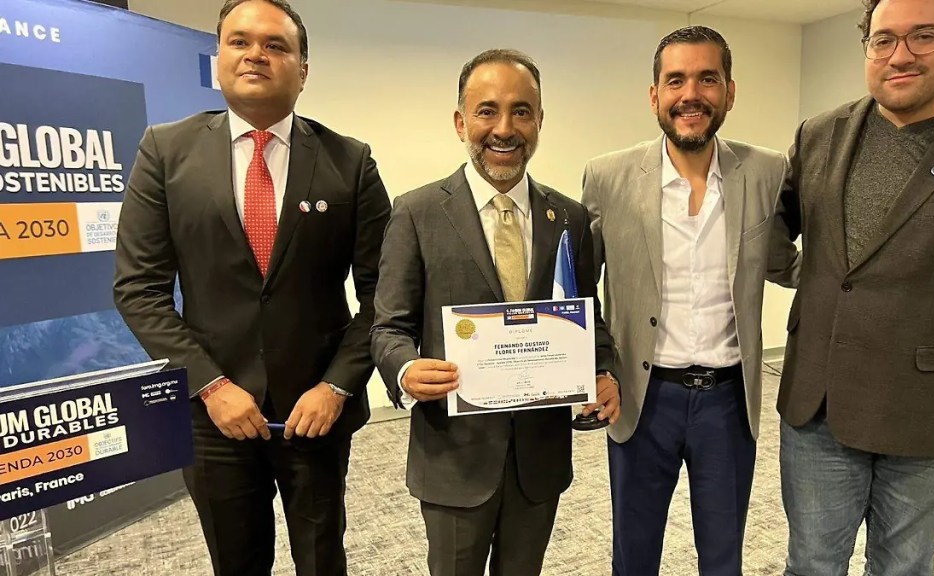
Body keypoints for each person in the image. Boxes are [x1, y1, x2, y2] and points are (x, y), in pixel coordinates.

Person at [113, 1, 391, 574]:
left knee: (322, 559)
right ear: (218, 58)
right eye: (239, 42)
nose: (256, 55)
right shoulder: (165, 152)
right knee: (236, 562)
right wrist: (210, 385)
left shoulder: (351, 162)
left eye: (276, 45)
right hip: (214, 416)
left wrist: (337, 387)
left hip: (316, 413)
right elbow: (139, 288)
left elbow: (384, 295)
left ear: (303, 69)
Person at [777, 1, 934, 574]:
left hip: (932, 419)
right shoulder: (819, 134)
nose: (901, 55)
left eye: (923, 36)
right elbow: (767, 233)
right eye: (883, 39)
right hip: (819, 409)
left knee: (904, 567)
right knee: (811, 564)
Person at [370, 49, 620, 576]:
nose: (504, 128)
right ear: (461, 121)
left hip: (539, 456)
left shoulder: (568, 218)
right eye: (487, 111)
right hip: (455, 459)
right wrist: (405, 370)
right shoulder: (416, 213)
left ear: (539, 121)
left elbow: (585, 313)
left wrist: (604, 371)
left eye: (521, 111)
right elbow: (389, 327)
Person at [581, 26, 800, 576]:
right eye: (675, 80)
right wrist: (595, 370)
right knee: (634, 556)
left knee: (723, 558)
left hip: (728, 402)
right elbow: (580, 290)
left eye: (708, 78)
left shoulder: (768, 171)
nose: (691, 94)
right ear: (654, 95)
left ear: (729, 90)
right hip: (641, 398)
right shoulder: (607, 176)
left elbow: (782, 261)